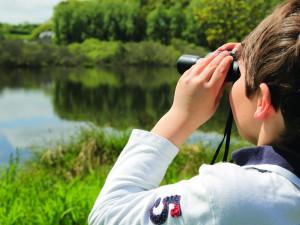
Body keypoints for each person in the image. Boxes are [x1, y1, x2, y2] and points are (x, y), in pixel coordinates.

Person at [88, 0, 300, 224]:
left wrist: (180, 115)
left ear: (262, 101)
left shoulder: (232, 196)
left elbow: (107, 216)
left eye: (238, 75)